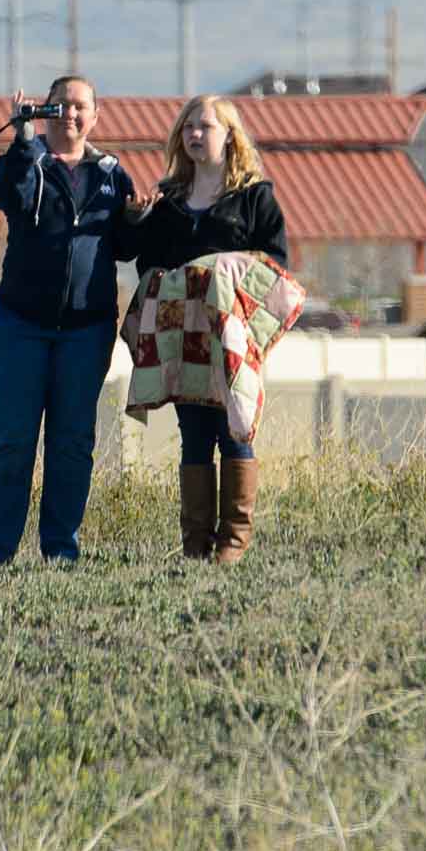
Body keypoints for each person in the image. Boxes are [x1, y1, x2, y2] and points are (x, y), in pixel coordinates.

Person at [118, 94, 289, 564]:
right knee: (193, 435)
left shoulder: (255, 197)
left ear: (230, 136)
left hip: (231, 338)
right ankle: (196, 545)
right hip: (182, 340)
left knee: (235, 430)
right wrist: (136, 221)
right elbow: (144, 260)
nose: (195, 134)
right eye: (188, 127)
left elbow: (277, 265)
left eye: (206, 126)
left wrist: (227, 267)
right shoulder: (167, 199)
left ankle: (233, 542)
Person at [0, 75, 136, 564]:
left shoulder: (112, 175)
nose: (70, 113)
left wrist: (140, 220)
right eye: (60, 105)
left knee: (71, 444)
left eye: (80, 106)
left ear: (96, 115)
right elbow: (9, 197)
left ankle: (60, 551)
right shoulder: (28, 163)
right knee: (11, 441)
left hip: (86, 330)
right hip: (23, 323)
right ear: (44, 112)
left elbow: (125, 247)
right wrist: (22, 141)